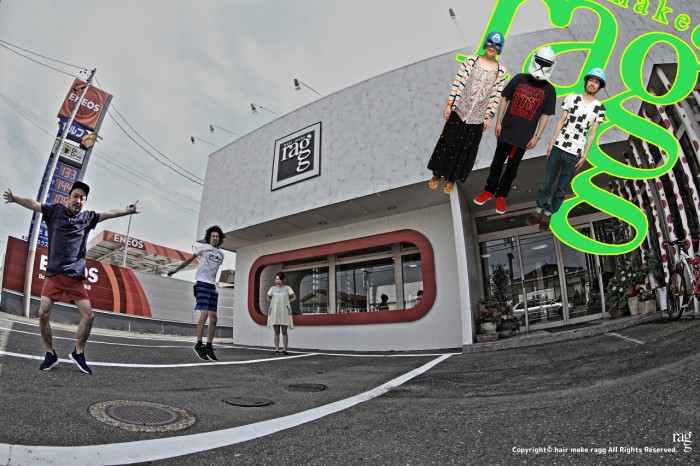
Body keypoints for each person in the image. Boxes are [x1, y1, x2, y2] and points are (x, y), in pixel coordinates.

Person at [3, 182, 143, 374]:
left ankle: (78, 352)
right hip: (54, 275)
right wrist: (15, 199)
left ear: (85, 202)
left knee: (89, 315)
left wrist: (130, 210)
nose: (78, 200)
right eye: (75, 196)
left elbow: (109, 213)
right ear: (68, 198)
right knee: (43, 313)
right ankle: (50, 353)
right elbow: (34, 204)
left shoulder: (88, 218)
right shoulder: (55, 211)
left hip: (75, 278)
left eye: (82, 198)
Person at [473, 45, 558, 214]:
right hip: (507, 131)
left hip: (524, 139)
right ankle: (489, 190)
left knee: (512, 168)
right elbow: (504, 99)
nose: (542, 66)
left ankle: (501, 196)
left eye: (546, 63)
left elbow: (545, 116)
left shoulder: (550, 90)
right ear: (535, 60)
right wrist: (498, 122)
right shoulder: (519, 79)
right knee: (497, 163)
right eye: (540, 61)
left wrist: (537, 137)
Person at [526, 68, 607, 231]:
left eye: (597, 82)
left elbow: (592, 134)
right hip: (558, 147)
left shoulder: (600, 108)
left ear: (600, 87)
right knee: (546, 182)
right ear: (586, 81)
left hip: (575, 153)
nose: (593, 84)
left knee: (562, 188)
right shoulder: (572, 98)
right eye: (591, 80)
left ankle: (548, 214)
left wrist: (584, 156)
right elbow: (561, 120)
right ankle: (539, 209)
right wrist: (552, 142)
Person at [427, 31, 507, 194]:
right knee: (447, 142)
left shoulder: (501, 71)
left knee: (465, 149)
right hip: (460, 110)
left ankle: (452, 179)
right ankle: (437, 174)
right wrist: (450, 105)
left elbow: (496, 95)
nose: (492, 47)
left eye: (497, 45)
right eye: (490, 43)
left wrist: (488, 117)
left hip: (477, 118)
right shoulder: (471, 61)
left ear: (500, 49)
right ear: (485, 43)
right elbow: (457, 82)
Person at [168, 225, 225, 361]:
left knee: (214, 318)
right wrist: (175, 270)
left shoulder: (221, 254)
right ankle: (199, 344)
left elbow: (213, 271)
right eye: (213, 236)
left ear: (219, 238)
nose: (215, 238)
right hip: (201, 284)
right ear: (209, 238)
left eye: (217, 236)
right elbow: (189, 260)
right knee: (204, 314)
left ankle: (209, 346)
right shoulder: (203, 248)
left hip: (212, 286)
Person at [266, 272, 297, 355]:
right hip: (275, 312)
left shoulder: (287, 288)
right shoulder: (272, 288)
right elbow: (268, 297)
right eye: (276, 279)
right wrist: (273, 302)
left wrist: (287, 302)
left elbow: (294, 297)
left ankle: (284, 349)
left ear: (283, 279)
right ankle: (276, 349)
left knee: (284, 331)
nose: (278, 281)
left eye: (279, 279)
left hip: (285, 312)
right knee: (276, 332)